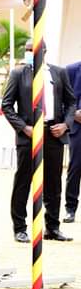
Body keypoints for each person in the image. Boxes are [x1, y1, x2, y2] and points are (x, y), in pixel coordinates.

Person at [1, 40, 75, 243]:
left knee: (53, 184)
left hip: (53, 133)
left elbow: (70, 102)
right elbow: (7, 105)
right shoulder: (19, 74)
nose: (28, 53)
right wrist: (24, 128)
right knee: (23, 181)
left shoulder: (59, 73)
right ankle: (20, 227)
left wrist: (66, 125)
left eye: (32, 50)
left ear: (44, 51)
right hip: (29, 135)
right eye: (26, 50)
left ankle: (52, 227)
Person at [64, 60, 81, 224]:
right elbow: (64, 98)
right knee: (75, 168)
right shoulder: (71, 69)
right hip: (78, 128)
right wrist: (74, 114)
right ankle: (70, 209)